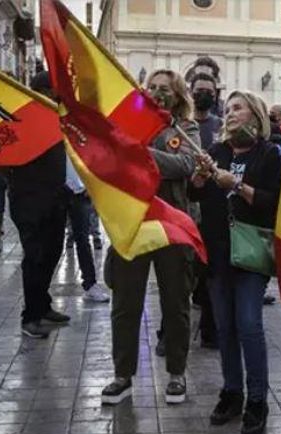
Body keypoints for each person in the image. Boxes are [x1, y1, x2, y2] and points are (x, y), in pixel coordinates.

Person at [101, 69, 200, 405]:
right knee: (125, 304)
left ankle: (176, 373)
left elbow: (185, 164)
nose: (158, 93)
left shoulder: (185, 129)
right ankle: (122, 375)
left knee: (175, 302)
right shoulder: (127, 126)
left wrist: (141, 154)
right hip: (132, 222)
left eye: (166, 89)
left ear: (178, 95)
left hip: (170, 224)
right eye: (153, 88)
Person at [190, 90, 281, 434]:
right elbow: (196, 195)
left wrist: (238, 185)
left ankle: (257, 400)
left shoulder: (270, 153)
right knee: (225, 327)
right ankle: (232, 392)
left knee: (248, 325)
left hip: (251, 254)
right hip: (217, 252)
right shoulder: (217, 152)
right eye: (227, 109)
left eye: (238, 108)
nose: (229, 114)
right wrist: (200, 178)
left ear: (255, 115)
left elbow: (273, 203)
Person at [4, 71, 72, 338]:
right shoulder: (22, 119)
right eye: (54, 91)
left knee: (52, 253)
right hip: (29, 200)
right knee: (35, 257)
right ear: (43, 91)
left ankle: (42, 306)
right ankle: (30, 317)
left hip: (55, 198)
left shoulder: (57, 118)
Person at [189, 71, 222, 349]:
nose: (204, 95)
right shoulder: (182, 126)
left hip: (211, 211)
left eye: (209, 91)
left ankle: (210, 326)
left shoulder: (219, 126)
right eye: (200, 90)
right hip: (187, 208)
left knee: (208, 273)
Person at [64, 156, 110, 304]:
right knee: (51, 241)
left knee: (82, 239)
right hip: (56, 191)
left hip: (80, 192)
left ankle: (90, 284)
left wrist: (91, 184)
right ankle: (39, 291)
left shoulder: (79, 135)